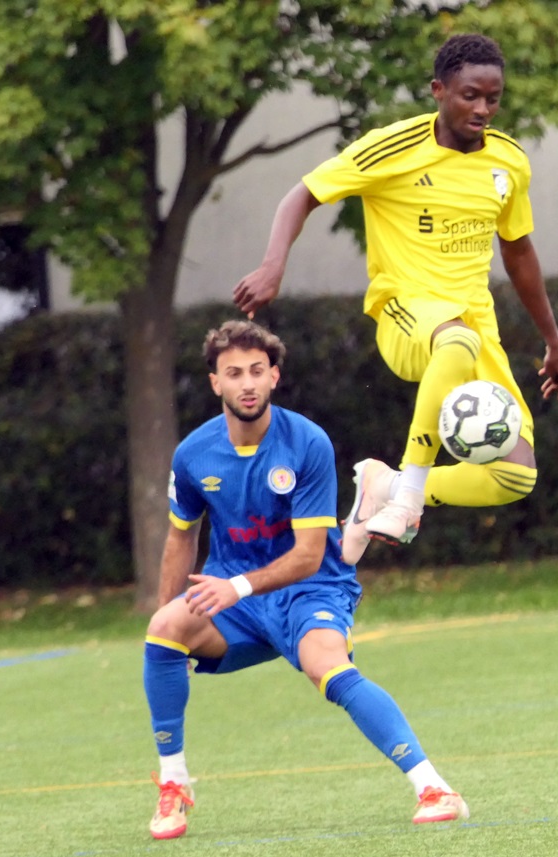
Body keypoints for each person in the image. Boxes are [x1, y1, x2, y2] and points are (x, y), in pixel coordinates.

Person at [233, 33, 558, 565]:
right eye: (470, 96)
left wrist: (552, 340)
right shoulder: (392, 148)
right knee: (455, 340)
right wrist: (273, 265)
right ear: (439, 90)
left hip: (472, 324)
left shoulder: (508, 163)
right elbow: (303, 195)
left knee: (514, 475)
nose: (482, 109)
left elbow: (519, 252)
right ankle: (408, 498)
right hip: (405, 312)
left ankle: (385, 485)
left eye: (493, 98)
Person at [142, 319, 468, 839]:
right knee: (163, 629)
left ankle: (434, 788)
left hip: (309, 586)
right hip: (236, 599)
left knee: (328, 668)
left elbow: (309, 555)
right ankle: (173, 784)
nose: (247, 383)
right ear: (215, 383)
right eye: (234, 373)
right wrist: (170, 617)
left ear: (274, 376)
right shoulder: (193, 455)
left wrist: (236, 587)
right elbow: (182, 537)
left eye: (257, 371)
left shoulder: (307, 442)